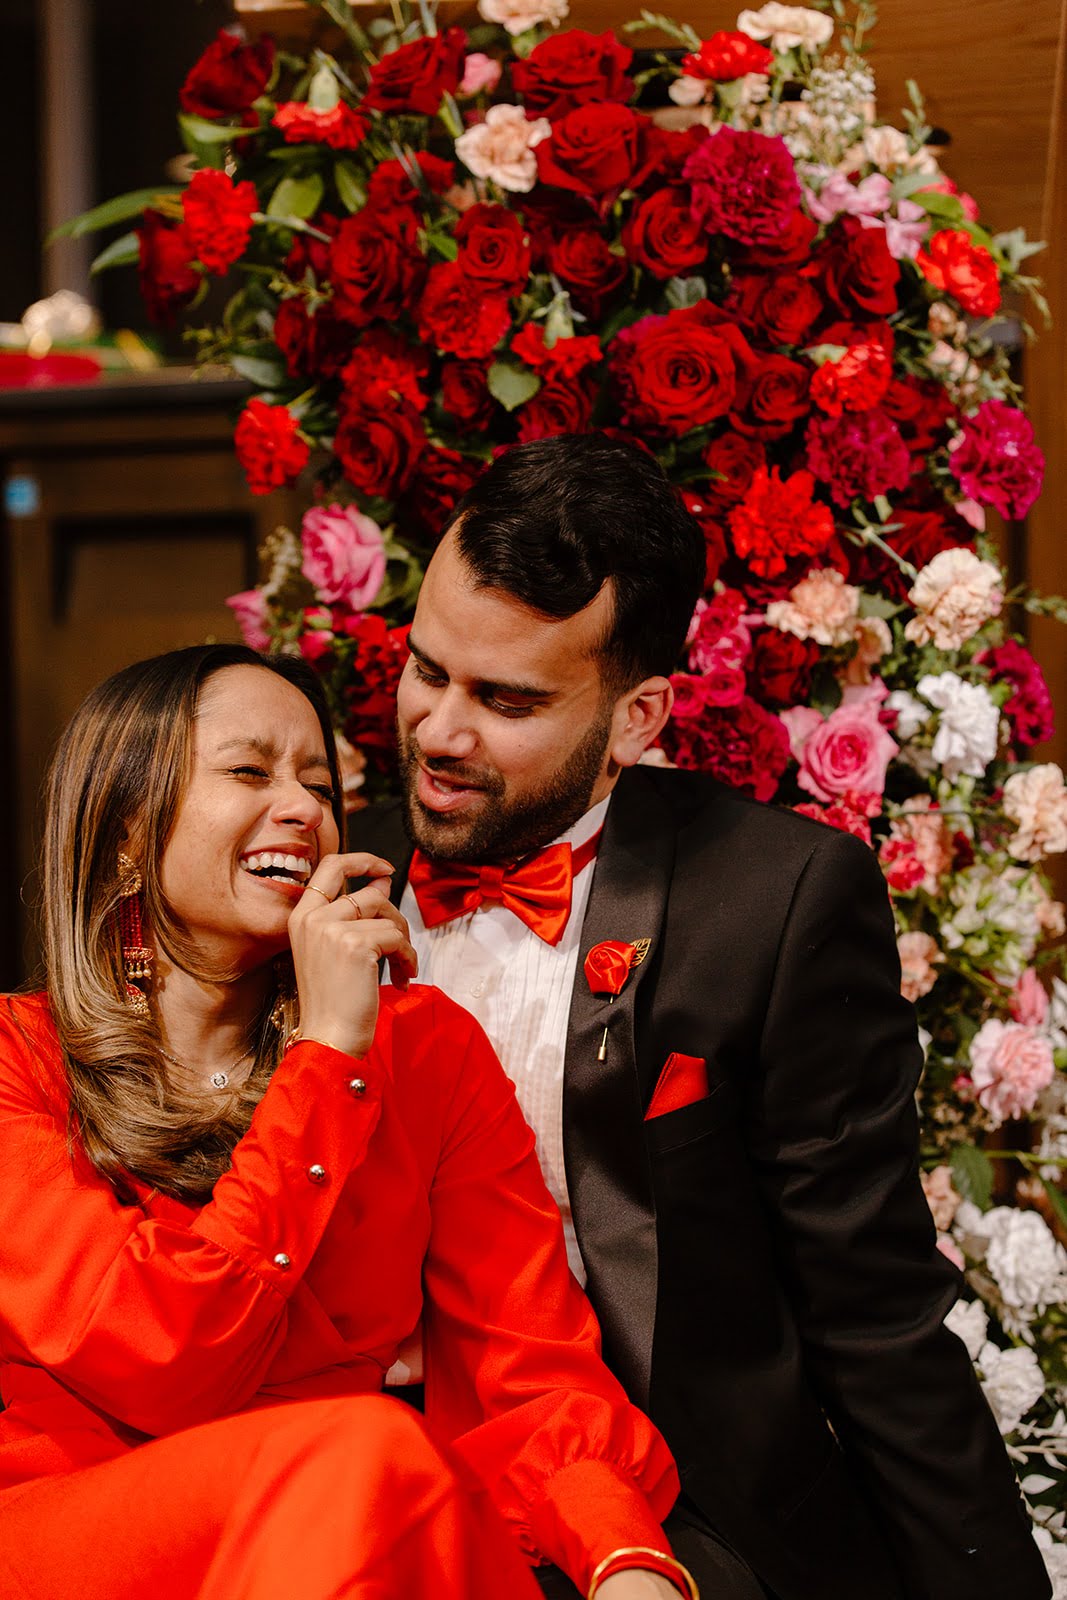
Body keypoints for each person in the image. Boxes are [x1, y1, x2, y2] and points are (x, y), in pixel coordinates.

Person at [359, 432, 1052, 1600]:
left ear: (637, 718)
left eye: (506, 699)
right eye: (427, 672)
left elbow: (871, 1311)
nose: (437, 732)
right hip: (369, 1471)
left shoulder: (769, 904)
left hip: (672, 1506)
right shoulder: (331, 868)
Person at [0, 641, 699, 1600]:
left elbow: (527, 1369)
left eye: (319, 784)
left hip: (339, 1536)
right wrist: (327, 1056)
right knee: (370, 1455)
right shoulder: (16, 1059)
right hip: (85, 1530)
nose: (301, 809)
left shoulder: (421, 1048)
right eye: (249, 771)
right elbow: (164, 1355)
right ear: (125, 824)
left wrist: (627, 1561)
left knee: (384, 1486)